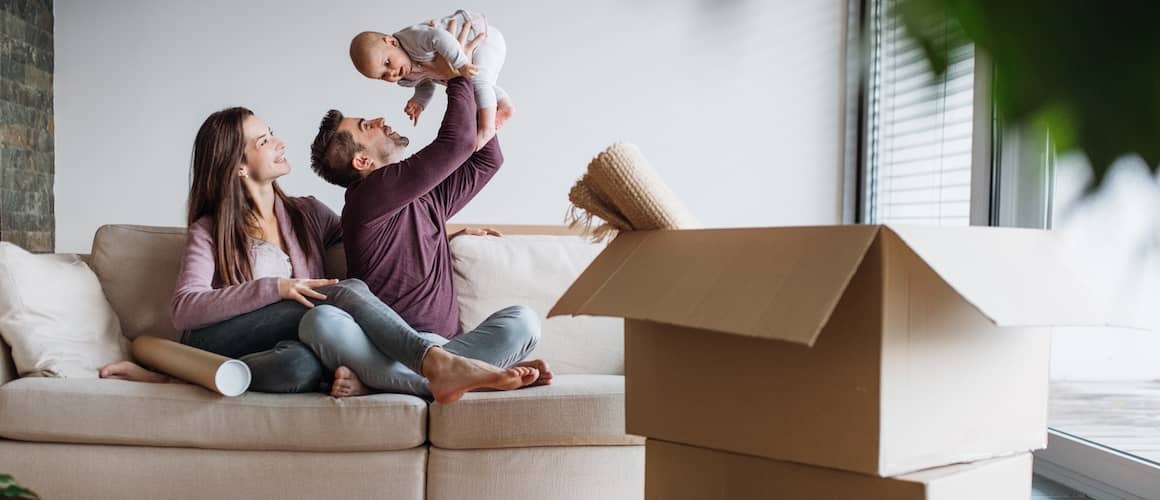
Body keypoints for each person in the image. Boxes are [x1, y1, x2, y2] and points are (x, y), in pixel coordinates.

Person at [100, 104, 541, 404]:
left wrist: (446, 236)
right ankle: (438, 364)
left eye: (272, 135)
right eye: (263, 141)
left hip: (289, 344)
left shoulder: (308, 213)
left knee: (301, 363)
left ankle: (437, 376)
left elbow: (374, 238)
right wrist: (276, 289)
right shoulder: (210, 230)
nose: (278, 143)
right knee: (339, 296)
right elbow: (184, 309)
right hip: (219, 339)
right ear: (237, 165)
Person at [309, 15, 552, 402]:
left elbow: (487, 160)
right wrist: (454, 74)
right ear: (362, 164)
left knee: (524, 321)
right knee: (321, 320)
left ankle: (396, 381)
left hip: (448, 347)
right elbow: (457, 145)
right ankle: (452, 376)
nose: (377, 120)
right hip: (388, 348)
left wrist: (465, 75)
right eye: (365, 127)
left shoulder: (427, 199)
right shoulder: (366, 198)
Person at [349, 9, 512, 151]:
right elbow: (425, 83)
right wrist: (419, 101)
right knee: (482, 85)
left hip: (481, 38)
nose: (391, 73)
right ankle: (504, 105)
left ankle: (486, 128)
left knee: (479, 83)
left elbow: (440, 37)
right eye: (383, 76)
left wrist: (461, 63)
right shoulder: (404, 78)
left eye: (387, 63)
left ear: (392, 42)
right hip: (471, 55)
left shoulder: (412, 40)